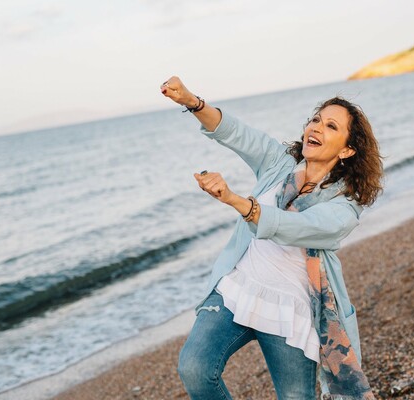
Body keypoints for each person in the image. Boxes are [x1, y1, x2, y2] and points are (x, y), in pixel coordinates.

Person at [160, 76, 383, 400]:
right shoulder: (279, 163)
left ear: (348, 149)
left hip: (291, 308)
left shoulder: (344, 206)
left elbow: (295, 227)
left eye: (331, 126)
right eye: (316, 119)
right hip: (239, 288)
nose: (316, 128)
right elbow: (234, 132)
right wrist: (191, 101)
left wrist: (236, 201)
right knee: (194, 368)